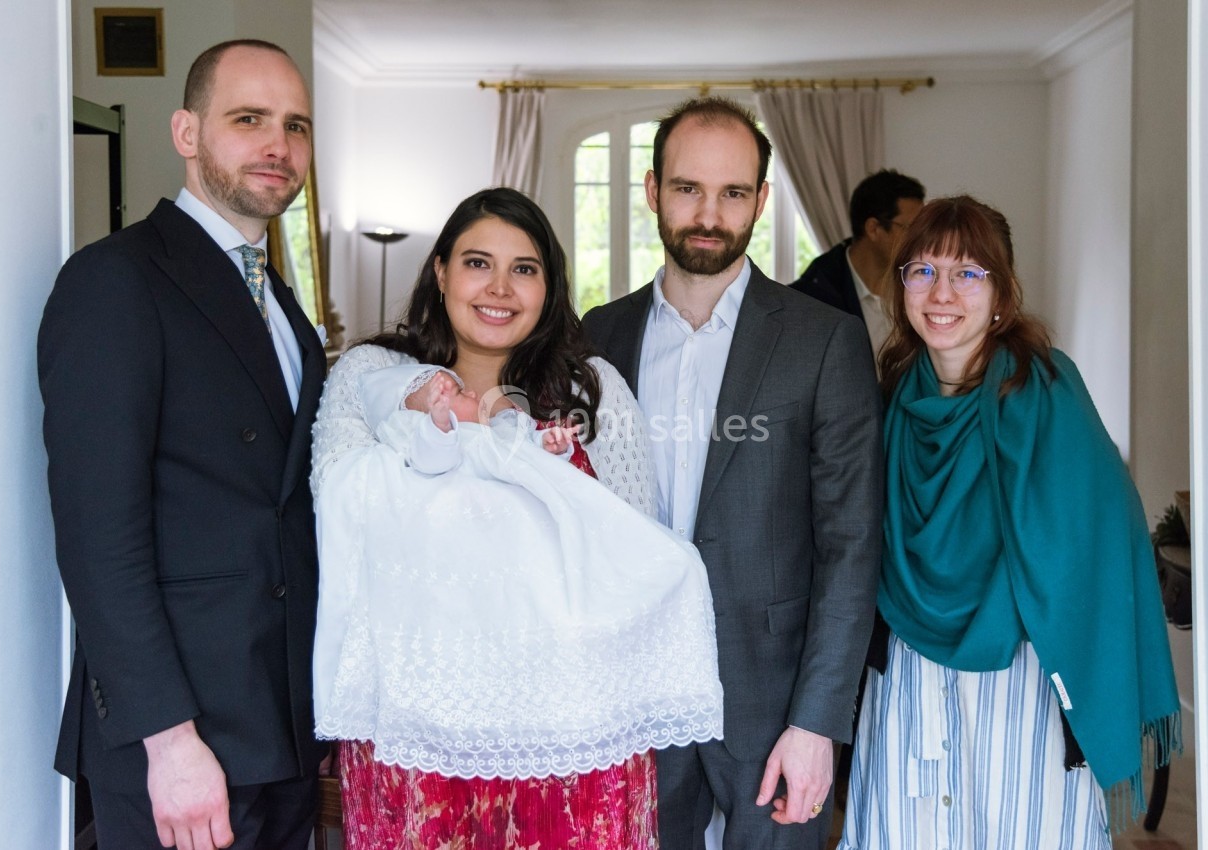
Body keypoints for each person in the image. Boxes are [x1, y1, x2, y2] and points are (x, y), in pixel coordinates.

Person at [310, 186, 723, 849]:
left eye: (524, 269)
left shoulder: (592, 390)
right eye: (477, 263)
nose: (499, 287)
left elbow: (630, 554)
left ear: (549, 286)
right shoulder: (376, 375)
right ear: (440, 270)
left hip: (572, 740)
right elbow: (340, 513)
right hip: (418, 735)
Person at [38, 40, 326, 850]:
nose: (279, 145)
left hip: (283, 729)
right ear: (187, 134)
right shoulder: (116, 282)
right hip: (180, 736)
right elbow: (100, 537)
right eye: (249, 120)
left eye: (295, 126)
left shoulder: (286, 312)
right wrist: (168, 740)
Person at [581, 97, 884, 850]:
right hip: (629, 691)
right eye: (687, 188)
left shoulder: (824, 342)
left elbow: (852, 544)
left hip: (771, 695)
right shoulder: (594, 336)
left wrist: (818, 720)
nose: (709, 213)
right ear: (652, 192)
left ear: (761, 201)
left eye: (734, 192)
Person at [839, 196, 1180, 849]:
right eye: (923, 271)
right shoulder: (892, 391)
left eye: (967, 273)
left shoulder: (1045, 389)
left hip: (1021, 669)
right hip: (911, 670)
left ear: (1001, 293)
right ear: (901, 284)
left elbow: (1103, 535)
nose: (942, 292)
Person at [792, 169, 925, 359]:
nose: (920, 239)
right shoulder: (812, 298)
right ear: (873, 229)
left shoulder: (921, 287)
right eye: (910, 229)